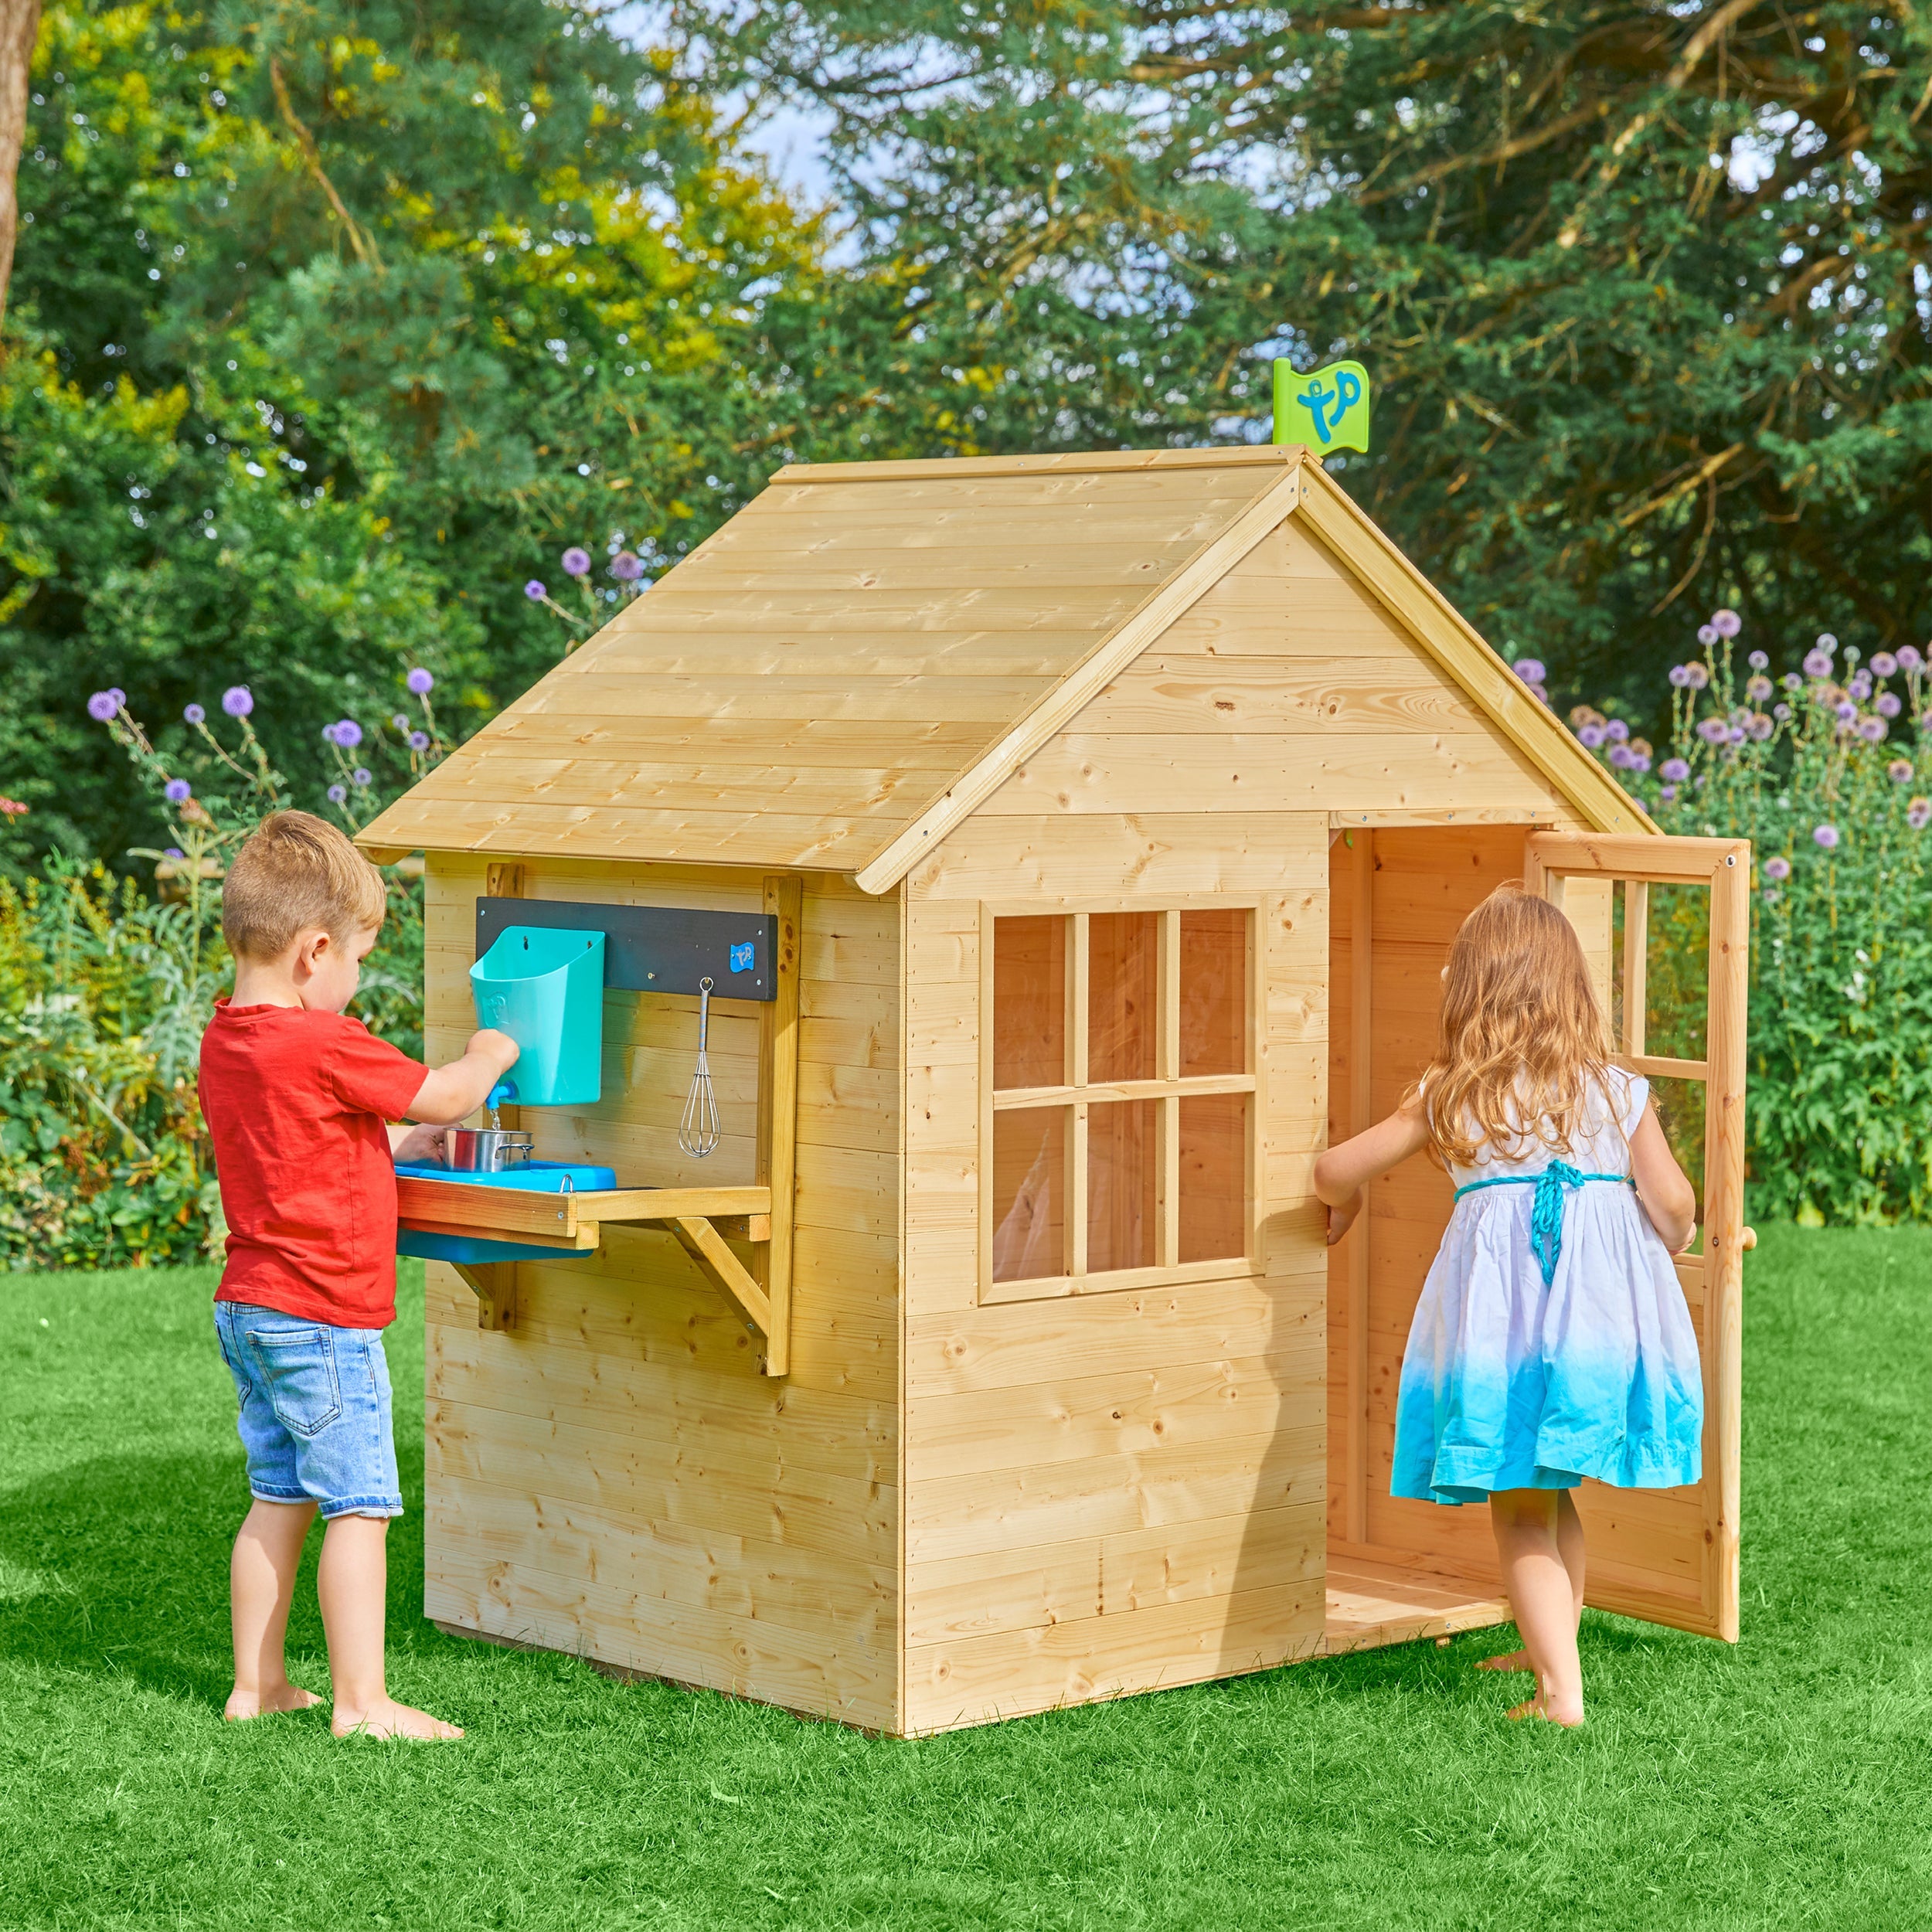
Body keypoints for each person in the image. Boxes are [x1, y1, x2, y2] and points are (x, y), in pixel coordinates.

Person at [1313, 883, 1700, 1726]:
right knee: (1551, 1489)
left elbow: (1334, 1169)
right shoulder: (1612, 1089)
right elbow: (1672, 1200)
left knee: (1519, 1501)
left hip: (1504, 1331)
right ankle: (1545, 1639)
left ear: (1475, 990)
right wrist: (1658, 1246)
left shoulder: (1453, 1092)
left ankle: (1561, 1694)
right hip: (1593, 1325)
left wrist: (1347, 1203)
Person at [198, 811, 518, 1740]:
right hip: (323, 1318)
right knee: (362, 1504)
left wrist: (390, 1141)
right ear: (315, 950)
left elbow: (296, 1138)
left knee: (279, 1494)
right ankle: (362, 1703)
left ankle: (256, 1686)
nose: (356, 980)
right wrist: (492, 1050)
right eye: (360, 961)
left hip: (251, 1307)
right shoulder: (326, 1041)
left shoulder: (231, 1038)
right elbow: (451, 1092)